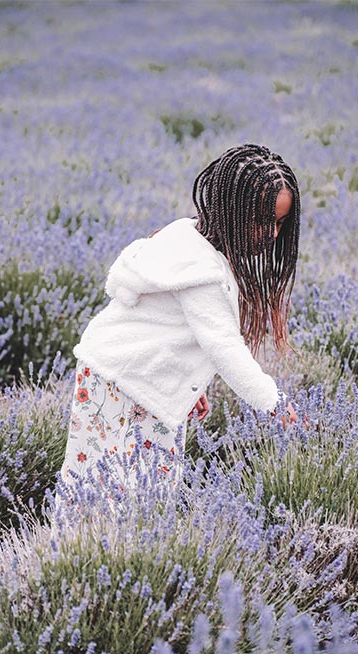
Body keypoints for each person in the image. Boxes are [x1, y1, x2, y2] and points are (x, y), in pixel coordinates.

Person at [59, 143, 299, 497]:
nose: (272, 234)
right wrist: (274, 404)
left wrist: (188, 382)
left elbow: (166, 324)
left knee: (146, 486)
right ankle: (76, 549)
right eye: (263, 221)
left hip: (136, 376)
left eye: (280, 223)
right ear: (229, 210)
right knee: (101, 484)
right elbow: (224, 349)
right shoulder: (200, 270)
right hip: (116, 380)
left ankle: (123, 549)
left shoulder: (188, 233)